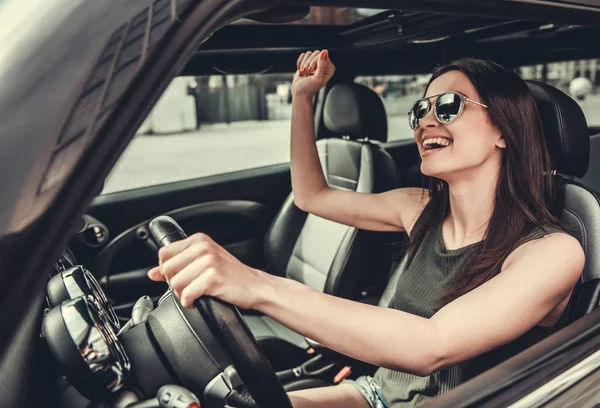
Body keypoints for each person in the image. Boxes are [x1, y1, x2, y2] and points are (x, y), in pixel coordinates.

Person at [148, 51, 584, 407]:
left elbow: (429, 346)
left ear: (504, 129)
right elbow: (311, 197)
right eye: (421, 110)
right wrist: (303, 98)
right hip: (372, 394)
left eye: (449, 106)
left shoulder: (551, 253)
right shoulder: (418, 208)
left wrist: (256, 284)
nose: (426, 122)